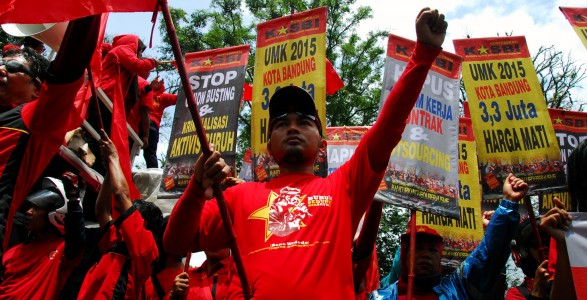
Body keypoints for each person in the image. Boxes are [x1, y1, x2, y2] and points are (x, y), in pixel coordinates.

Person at [164, 7, 447, 299]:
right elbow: (175, 242)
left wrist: (422, 55)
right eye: (282, 123)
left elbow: (387, 128)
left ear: (322, 145)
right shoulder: (238, 198)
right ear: (269, 147)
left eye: (304, 121)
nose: (293, 127)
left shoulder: (344, 188)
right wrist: (197, 188)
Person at [0, 15, 101, 253]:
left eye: (13, 67)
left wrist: (87, 9)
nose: (2, 69)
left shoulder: (35, 118)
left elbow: (70, 65)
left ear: (37, 90)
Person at [371, 173, 528, 299]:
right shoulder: (381, 297)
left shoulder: (457, 287)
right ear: (404, 255)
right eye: (418, 248)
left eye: (432, 250)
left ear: (440, 256)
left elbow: (488, 254)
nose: (425, 255)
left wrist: (508, 202)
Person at [77, 130, 161, 299]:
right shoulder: (117, 240)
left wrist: (115, 158)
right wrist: (109, 169)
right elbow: (101, 210)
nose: (120, 220)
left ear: (142, 223)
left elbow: (121, 196)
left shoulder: (145, 247)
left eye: (130, 214)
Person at [0, 175, 85, 299]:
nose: (28, 212)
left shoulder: (61, 250)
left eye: (36, 208)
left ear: (55, 215)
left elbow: (77, 240)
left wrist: (73, 198)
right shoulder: (11, 254)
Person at [505, 218, 550, 299]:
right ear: (524, 251)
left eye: (549, 243)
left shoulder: (569, 286)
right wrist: (536, 293)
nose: (545, 247)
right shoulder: (517, 294)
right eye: (537, 243)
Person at [144, 77, 177, 168]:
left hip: (152, 125)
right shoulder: (145, 91)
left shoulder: (162, 97)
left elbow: (178, 98)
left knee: (150, 154)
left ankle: (153, 175)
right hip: (140, 122)